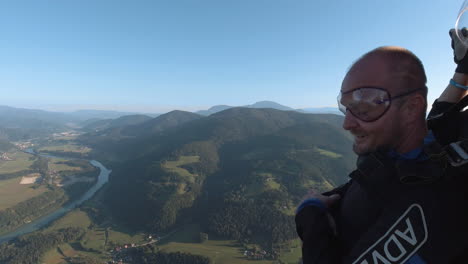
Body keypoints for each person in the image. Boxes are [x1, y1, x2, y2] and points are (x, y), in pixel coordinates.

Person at [295, 39, 468, 263]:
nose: (346, 124)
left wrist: (311, 219)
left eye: (364, 107)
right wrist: (462, 71)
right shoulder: (433, 138)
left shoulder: (438, 204)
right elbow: (439, 117)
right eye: (346, 106)